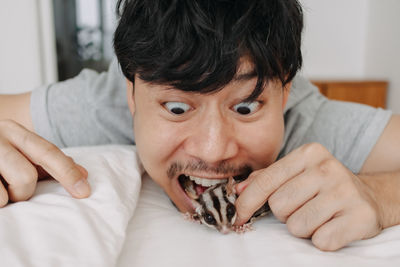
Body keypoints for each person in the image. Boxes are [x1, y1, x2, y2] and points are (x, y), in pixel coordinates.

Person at [0, 0, 399, 252]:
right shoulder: (97, 105)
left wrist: (380, 196)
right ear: (131, 95)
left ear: (285, 95)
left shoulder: (309, 120)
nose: (213, 150)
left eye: (245, 107)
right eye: (176, 108)